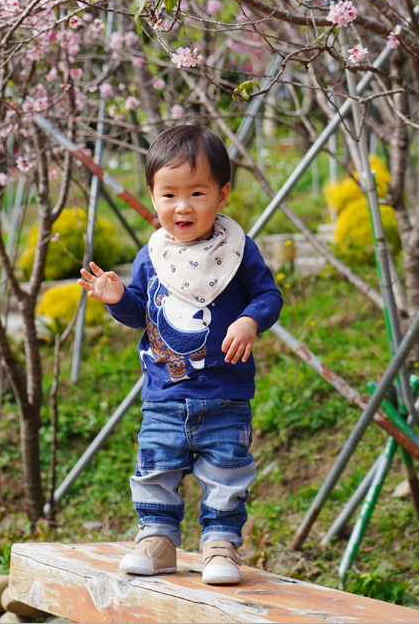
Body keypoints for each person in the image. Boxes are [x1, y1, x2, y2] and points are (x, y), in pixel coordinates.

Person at [78, 124, 283, 585]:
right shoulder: (153, 257)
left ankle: (220, 547)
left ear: (223, 194)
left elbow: (268, 295)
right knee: (155, 469)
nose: (182, 206)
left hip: (226, 394)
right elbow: (141, 314)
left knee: (226, 474)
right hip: (164, 395)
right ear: (152, 196)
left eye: (196, 192)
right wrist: (117, 299)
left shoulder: (237, 250)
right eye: (169, 195)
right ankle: (157, 539)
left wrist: (250, 320)